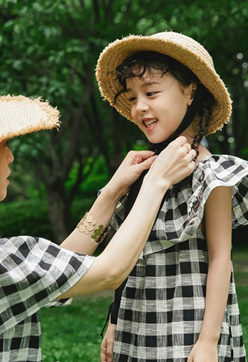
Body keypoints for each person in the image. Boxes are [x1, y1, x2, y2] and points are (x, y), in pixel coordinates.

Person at [0, 70, 195, 362]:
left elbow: (53, 269)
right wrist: (157, 182)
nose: (10, 155)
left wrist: (111, 193)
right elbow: (110, 270)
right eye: (1, 144)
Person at [96, 31, 248, 362]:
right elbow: (129, 257)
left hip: (189, 325)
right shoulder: (141, 174)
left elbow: (222, 258)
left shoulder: (212, 174)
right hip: (138, 323)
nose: (140, 107)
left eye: (151, 92)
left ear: (190, 92)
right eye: (133, 98)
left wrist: (208, 341)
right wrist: (114, 319)